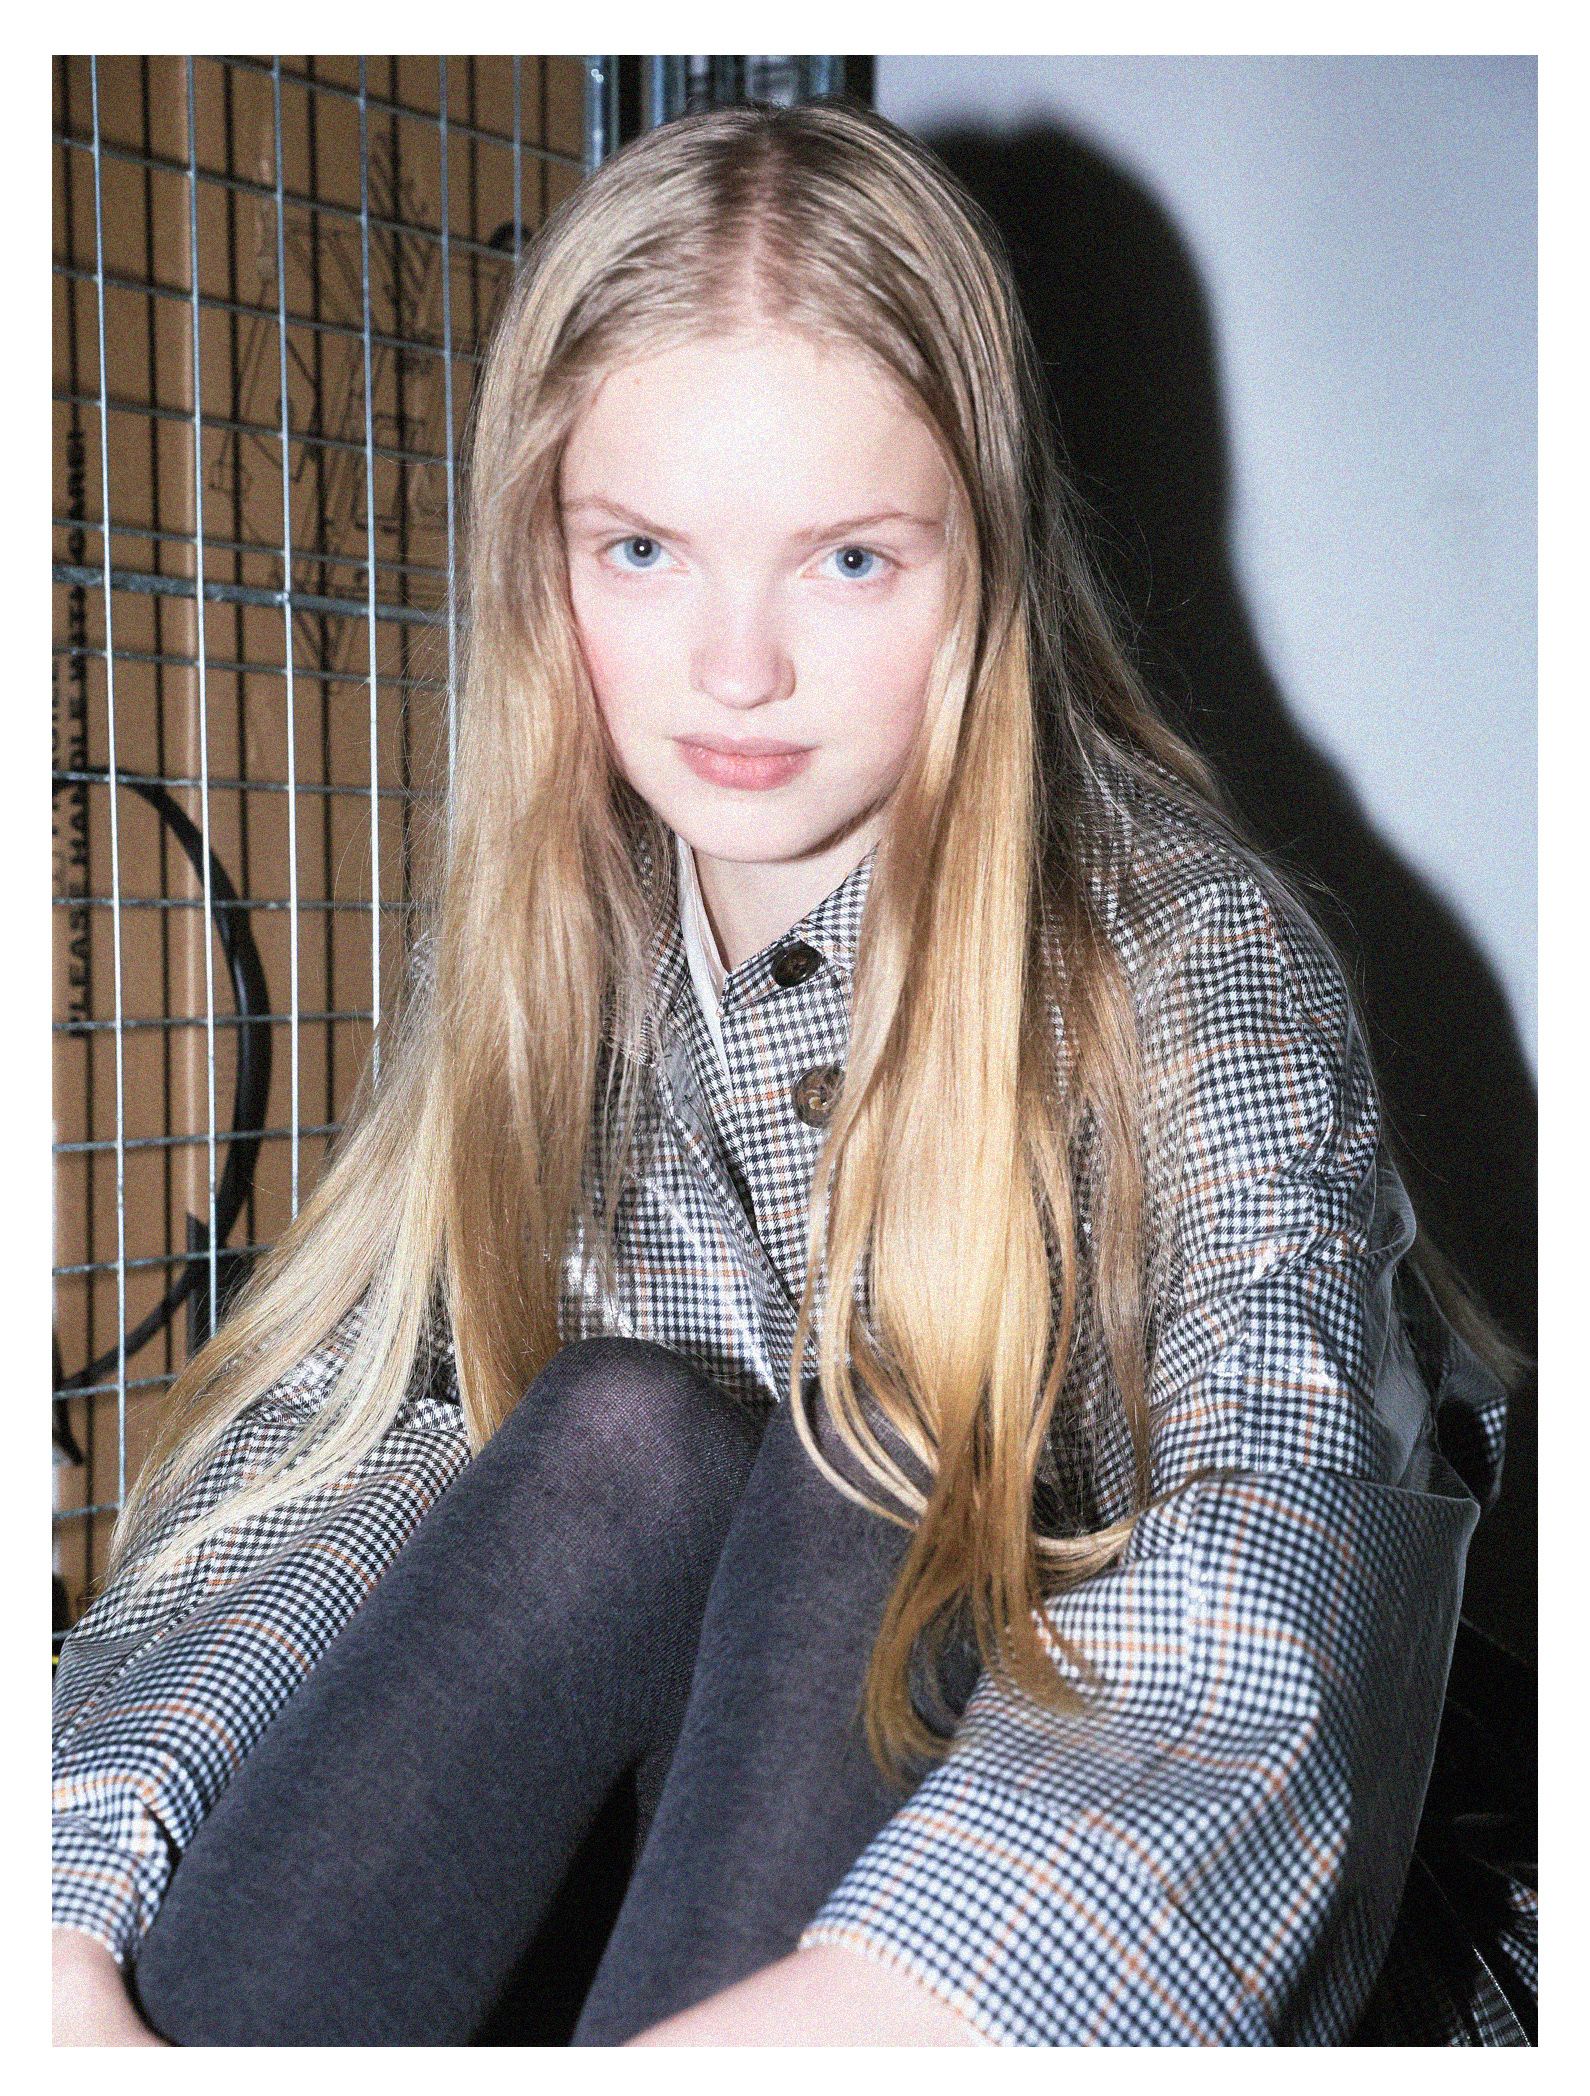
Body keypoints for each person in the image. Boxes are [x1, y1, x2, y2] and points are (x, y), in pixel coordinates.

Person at [52, 98, 1534, 2047]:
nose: (734, 668)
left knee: (876, 1473)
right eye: (642, 550)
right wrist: (69, 1909)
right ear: (539, 562)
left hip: (1126, 1947)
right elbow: (340, 1447)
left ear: (984, 558)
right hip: (702, 1883)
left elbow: (1259, 1555)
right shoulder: (564, 942)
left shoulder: (1189, 960)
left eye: (845, 559)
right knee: (608, 1435)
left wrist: (862, 2007)